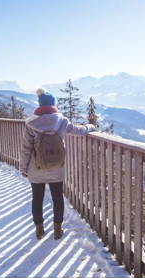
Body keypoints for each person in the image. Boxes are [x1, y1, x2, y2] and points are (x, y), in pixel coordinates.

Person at [19, 88, 96, 240]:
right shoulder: (61, 121)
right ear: (53, 104)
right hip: (57, 168)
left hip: (37, 168)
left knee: (37, 198)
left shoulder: (30, 123)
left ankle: (39, 229)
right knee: (57, 198)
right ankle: (58, 229)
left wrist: (23, 168)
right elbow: (79, 130)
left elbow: (26, 148)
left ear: (40, 105)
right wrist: (90, 127)